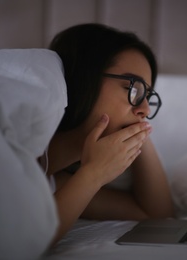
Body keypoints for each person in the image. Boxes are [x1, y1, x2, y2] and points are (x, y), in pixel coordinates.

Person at [43, 23, 174, 245]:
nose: (147, 109)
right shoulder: (10, 146)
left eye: (147, 95)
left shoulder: (59, 182)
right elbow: (24, 241)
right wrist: (93, 173)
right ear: (85, 79)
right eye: (133, 88)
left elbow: (156, 215)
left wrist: (138, 124)